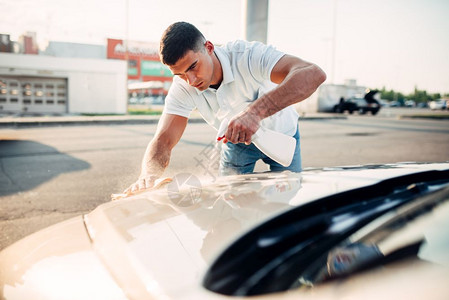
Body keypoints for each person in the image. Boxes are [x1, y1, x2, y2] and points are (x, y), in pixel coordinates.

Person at [124, 21, 326, 195]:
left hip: (283, 136)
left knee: (287, 206)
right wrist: (148, 175)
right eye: (181, 75)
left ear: (209, 47)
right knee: (229, 209)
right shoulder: (183, 86)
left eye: (193, 66)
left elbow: (313, 74)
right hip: (237, 142)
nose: (191, 80)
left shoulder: (247, 56)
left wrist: (254, 113)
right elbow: (164, 139)